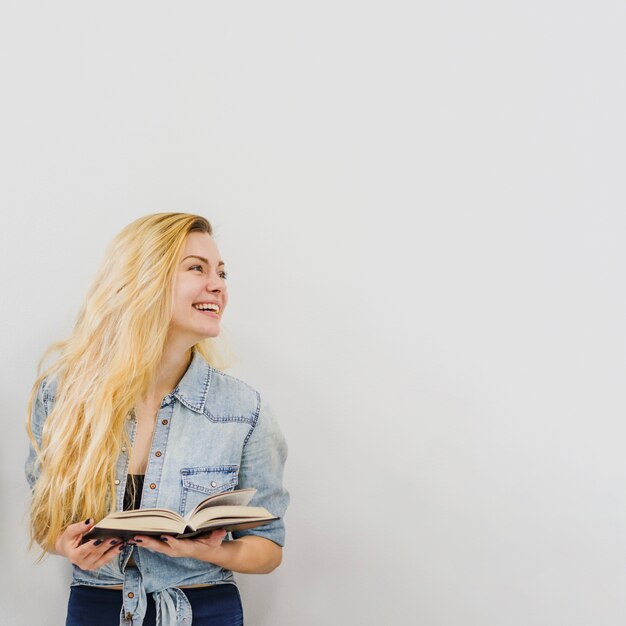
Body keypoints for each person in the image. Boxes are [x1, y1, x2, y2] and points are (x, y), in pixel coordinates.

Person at [25, 213, 289, 626]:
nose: (217, 284)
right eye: (196, 268)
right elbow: (45, 521)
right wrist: (65, 544)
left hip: (204, 609)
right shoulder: (63, 396)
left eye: (221, 272)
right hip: (98, 606)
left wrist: (209, 551)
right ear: (145, 279)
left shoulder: (243, 411)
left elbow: (268, 548)